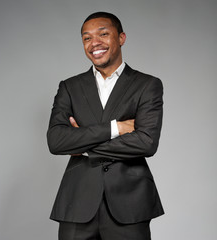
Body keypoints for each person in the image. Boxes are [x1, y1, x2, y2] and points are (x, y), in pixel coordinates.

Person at [47, 12, 164, 240]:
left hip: (129, 203)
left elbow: (146, 142)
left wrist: (83, 144)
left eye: (103, 34)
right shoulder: (69, 87)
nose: (94, 43)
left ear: (121, 38)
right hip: (77, 202)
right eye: (87, 38)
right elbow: (56, 140)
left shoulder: (147, 85)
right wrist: (116, 128)